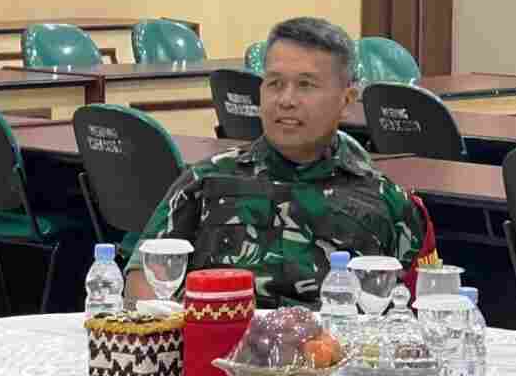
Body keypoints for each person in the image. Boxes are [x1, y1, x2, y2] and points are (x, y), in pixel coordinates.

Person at [126, 17, 437, 307]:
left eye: (306, 85)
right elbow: (145, 280)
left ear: (346, 100)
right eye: (274, 83)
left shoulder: (387, 202)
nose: (286, 100)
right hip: (221, 339)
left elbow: (419, 307)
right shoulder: (206, 181)